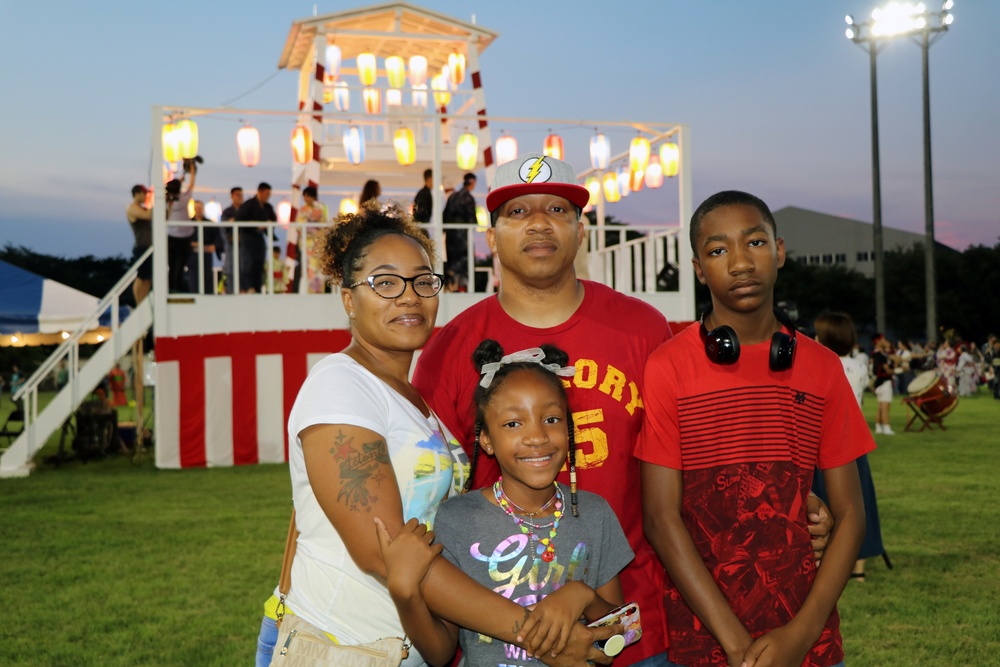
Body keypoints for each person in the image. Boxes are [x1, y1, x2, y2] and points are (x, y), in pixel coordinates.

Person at [413, 156, 836, 666]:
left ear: (581, 229)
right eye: (518, 211)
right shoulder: (452, 347)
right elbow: (431, 496)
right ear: (491, 236)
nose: (540, 223)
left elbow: (704, 463)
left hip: (637, 628)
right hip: (498, 634)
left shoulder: (643, 329)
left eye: (558, 209)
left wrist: (795, 505)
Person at [254, 204, 619, 667]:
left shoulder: (416, 401)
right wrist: (537, 634)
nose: (409, 297)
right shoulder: (339, 385)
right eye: (384, 283)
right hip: (339, 644)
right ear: (348, 298)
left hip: (411, 644)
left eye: (423, 281)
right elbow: (385, 554)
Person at [637, 190, 871, 667]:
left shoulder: (822, 367)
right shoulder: (668, 367)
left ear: (780, 252)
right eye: (718, 250)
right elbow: (662, 519)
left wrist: (800, 635)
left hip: (809, 642)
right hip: (704, 642)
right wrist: (739, 646)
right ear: (700, 269)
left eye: (755, 243)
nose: (740, 263)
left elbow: (851, 516)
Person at [378, 340, 634, 666]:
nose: (537, 437)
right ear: (486, 439)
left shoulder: (595, 513)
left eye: (552, 419)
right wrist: (405, 594)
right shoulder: (456, 519)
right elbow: (440, 653)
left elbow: (618, 636)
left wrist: (583, 597)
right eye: (514, 423)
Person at [812, 312, 887, 584]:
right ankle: (859, 567)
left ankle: (825, 560)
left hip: (824, 443)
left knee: (823, 504)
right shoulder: (858, 366)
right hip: (854, 441)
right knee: (859, 502)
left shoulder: (822, 364)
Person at [235, 182, 275, 293]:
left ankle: (257, 288)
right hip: (248, 239)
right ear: (260, 192)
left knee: (259, 263)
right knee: (248, 264)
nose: (268, 196)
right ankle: (248, 287)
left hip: (259, 240)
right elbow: (240, 220)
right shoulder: (248, 205)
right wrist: (256, 224)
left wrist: (266, 225)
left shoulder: (268, 207)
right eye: (266, 193)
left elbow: (272, 220)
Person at [441, 172, 477, 291]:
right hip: (462, 236)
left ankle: (450, 287)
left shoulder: (453, 196)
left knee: (452, 262)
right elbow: (472, 218)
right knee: (464, 263)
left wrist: (445, 230)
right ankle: (461, 288)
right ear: (472, 182)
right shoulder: (468, 197)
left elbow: (444, 214)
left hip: (450, 235)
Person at [165, 164, 197, 293]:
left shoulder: (166, 200)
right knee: (180, 265)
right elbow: (191, 186)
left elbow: (176, 189)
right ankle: (177, 288)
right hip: (184, 237)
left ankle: (170, 288)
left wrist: (180, 180)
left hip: (170, 236)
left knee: (171, 265)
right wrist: (193, 173)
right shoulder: (184, 199)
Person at [299, 185, 330, 293]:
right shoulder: (302, 210)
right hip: (307, 243)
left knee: (317, 267)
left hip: (317, 242)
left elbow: (324, 224)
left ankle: (318, 290)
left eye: (308, 196)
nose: (306, 198)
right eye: (305, 196)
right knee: (308, 268)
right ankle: (309, 291)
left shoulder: (320, 209)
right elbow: (299, 226)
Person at [126, 184, 153, 304]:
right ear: (136, 193)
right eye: (144, 193)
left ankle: (143, 302)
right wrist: (154, 200)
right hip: (141, 247)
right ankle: (138, 303)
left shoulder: (143, 208)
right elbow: (148, 215)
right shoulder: (131, 208)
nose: (146, 195)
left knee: (147, 279)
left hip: (149, 247)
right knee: (141, 277)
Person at [188, 200, 220, 294]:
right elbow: (188, 242)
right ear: (194, 209)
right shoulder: (188, 224)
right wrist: (201, 246)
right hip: (193, 258)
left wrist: (202, 246)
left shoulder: (209, 224)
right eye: (196, 208)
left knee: (207, 280)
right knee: (194, 280)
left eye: (200, 207)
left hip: (207, 258)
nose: (198, 210)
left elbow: (215, 243)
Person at [220, 186, 244, 294]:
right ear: (232, 196)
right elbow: (224, 229)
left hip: (245, 247)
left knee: (245, 269)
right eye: (237, 195)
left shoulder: (246, 211)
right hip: (231, 246)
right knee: (231, 270)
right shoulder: (227, 212)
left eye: (241, 195)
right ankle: (231, 291)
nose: (240, 197)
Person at [872, 334, 896, 435]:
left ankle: (879, 427)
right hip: (884, 381)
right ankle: (886, 427)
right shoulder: (880, 355)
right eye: (883, 339)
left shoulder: (877, 353)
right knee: (885, 405)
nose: (884, 341)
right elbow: (887, 370)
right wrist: (896, 370)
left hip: (878, 382)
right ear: (878, 341)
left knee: (881, 406)